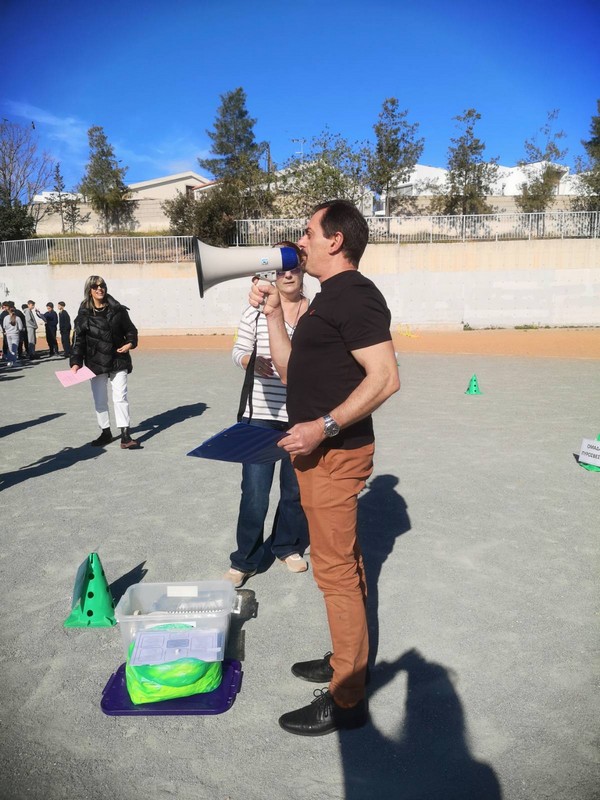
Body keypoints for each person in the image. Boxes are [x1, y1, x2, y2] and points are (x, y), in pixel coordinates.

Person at [249, 200, 400, 736]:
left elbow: (385, 378)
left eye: (308, 232)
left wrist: (324, 427)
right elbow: (291, 370)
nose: (300, 241)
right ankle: (346, 660)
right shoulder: (324, 300)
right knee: (345, 565)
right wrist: (274, 313)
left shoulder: (356, 295)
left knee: (334, 573)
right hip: (318, 455)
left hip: (334, 456)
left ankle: (347, 697)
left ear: (335, 240)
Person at [226, 242, 310, 589]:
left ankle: (287, 546)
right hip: (259, 415)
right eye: (280, 269)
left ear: (303, 270)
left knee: (294, 490)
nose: (287, 274)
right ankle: (244, 559)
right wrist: (251, 361)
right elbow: (237, 351)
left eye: (293, 267)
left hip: (301, 416)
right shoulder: (255, 311)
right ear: (271, 274)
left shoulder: (316, 313)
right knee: (255, 493)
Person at [70, 276, 140, 449]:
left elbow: (131, 330)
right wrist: (76, 362)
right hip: (96, 362)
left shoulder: (118, 310)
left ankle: (125, 435)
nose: (99, 289)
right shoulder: (83, 314)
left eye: (102, 285)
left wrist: (130, 343)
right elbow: (79, 341)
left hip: (118, 359)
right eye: (95, 286)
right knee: (100, 399)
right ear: (89, 290)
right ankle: (105, 432)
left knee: (120, 397)